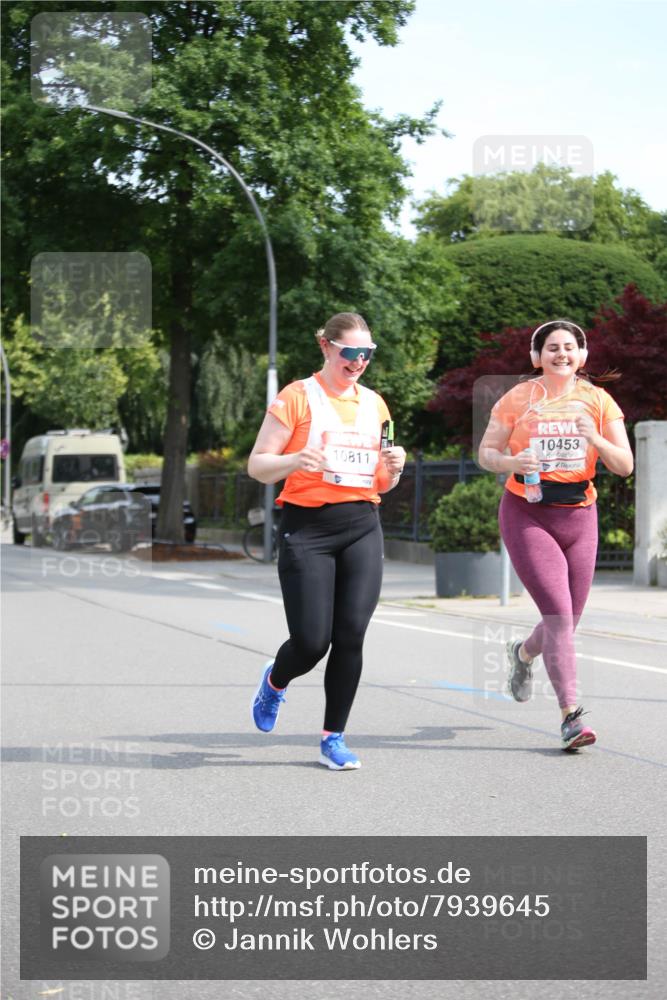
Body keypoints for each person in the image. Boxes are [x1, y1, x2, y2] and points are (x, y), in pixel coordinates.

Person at [247, 312, 406, 769]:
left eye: (367, 354)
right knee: (312, 642)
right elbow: (258, 465)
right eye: (350, 352)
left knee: (351, 635)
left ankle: (333, 738)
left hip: (362, 524)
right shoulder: (296, 398)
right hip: (307, 529)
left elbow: (381, 480)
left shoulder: (376, 405)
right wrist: (295, 459)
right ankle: (275, 682)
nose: (358, 362)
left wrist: (395, 468)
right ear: (326, 347)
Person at [478, 319, 633, 750]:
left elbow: (625, 465)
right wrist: (513, 463)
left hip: (580, 516)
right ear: (536, 357)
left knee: (567, 619)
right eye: (552, 348)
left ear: (582, 356)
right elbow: (487, 454)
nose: (561, 354)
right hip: (528, 515)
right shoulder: (517, 399)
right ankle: (571, 716)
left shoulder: (599, 401)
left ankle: (523, 653)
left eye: (570, 347)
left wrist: (596, 439)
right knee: (559, 616)